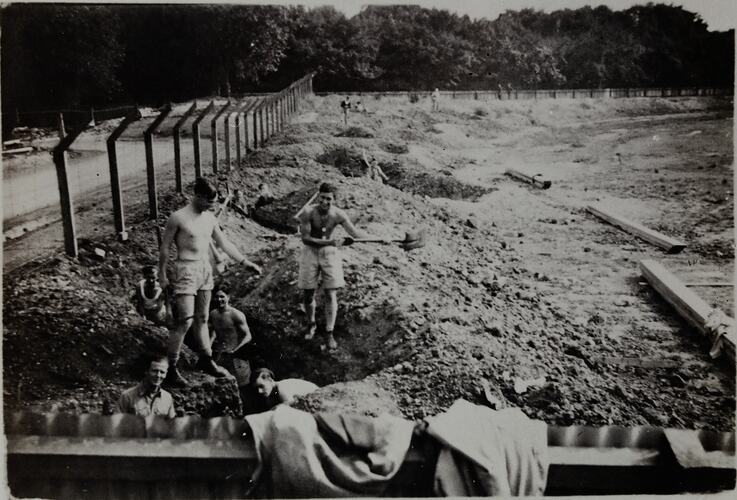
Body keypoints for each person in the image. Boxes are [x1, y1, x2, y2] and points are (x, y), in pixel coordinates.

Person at [159, 177, 262, 387]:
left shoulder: (210, 219)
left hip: (204, 269)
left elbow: (224, 243)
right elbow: (165, 248)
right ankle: (171, 368)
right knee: (185, 321)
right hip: (186, 269)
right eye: (208, 201)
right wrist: (162, 274)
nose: (211, 206)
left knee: (203, 318)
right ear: (197, 196)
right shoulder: (178, 218)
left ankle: (206, 360)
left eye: (214, 202)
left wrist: (245, 262)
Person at [298, 182, 371, 350]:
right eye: (323, 198)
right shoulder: (308, 212)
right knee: (308, 294)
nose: (325, 202)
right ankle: (311, 323)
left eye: (329, 199)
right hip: (310, 252)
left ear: (333, 199)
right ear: (318, 196)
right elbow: (306, 238)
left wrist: (381, 238)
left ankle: (329, 332)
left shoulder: (338, 214)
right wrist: (331, 241)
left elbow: (355, 233)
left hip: (329, 254)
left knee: (331, 293)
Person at [209, 288, 253, 388]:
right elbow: (213, 333)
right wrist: (208, 348)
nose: (219, 299)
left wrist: (235, 350)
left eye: (222, 296)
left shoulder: (236, 314)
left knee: (242, 385)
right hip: (220, 356)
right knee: (222, 385)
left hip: (236, 357)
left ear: (228, 297)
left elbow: (248, 335)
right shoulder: (213, 314)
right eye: (216, 297)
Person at [251, 367, 318, 411]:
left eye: (261, 386)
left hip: (318, 398)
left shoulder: (282, 387)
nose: (259, 391)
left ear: (270, 379)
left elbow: (289, 406)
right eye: (257, 388)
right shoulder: (271, 395)